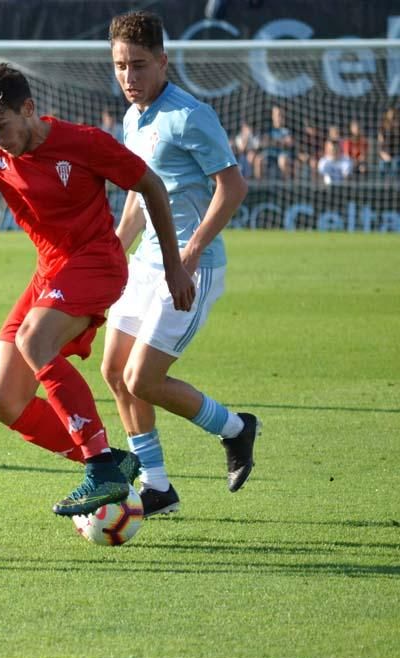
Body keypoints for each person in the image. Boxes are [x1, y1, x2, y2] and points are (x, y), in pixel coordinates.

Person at [0, 63, 195, 517]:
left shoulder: (82, 143)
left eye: (2, 126)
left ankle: (100, 465)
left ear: (29, 109)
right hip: (50, 272)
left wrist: (175, 266)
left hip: (97, 263)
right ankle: (108, 461)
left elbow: (151, 186)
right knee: (2, 401)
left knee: (33, 339)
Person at [101, 10, 257, 517]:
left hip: (192, 264)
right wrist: (112, 254)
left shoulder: (191, 115)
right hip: (147, 264)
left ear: (164, 61)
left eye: (139, 65)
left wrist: (186, 259)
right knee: (112, 371)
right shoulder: (131, 117)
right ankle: (158, 486)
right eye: (121, 65)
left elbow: (231, 189)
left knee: (143, 378)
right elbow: (138, 197)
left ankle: (236, 428)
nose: (129, 77)